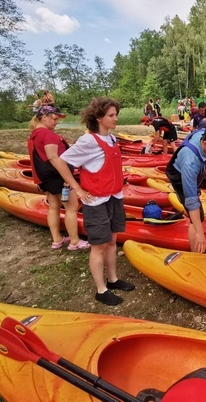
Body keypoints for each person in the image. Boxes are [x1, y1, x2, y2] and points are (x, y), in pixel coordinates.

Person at [52, 97, 135, 306]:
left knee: (112, 241)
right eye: (111, 115)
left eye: (116, 114)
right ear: (99, 118)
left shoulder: (113, 139)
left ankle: (113, 279)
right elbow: (61, 162)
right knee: (98, 246)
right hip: (96, 201)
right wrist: (77, 188)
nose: (116, 119)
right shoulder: (88, 141)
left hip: (114, 197)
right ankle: (101, 289)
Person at [27, 106, 89, 251]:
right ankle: (75, 241)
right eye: (54, 119)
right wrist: (72, 182)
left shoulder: (34, 134)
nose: (56, 122)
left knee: (54, 207)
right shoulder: (48, 135)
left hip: (45, 179)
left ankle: (57, 240)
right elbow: (54, 159)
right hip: (58, 178)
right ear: (44, 117)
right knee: (72, 208)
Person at [165, 125, 206, 253]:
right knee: (196, 217)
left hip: (202, 167)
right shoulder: (190, 162)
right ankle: (196, 252)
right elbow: (192, 201)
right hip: (179, 176)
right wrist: (200, 232)